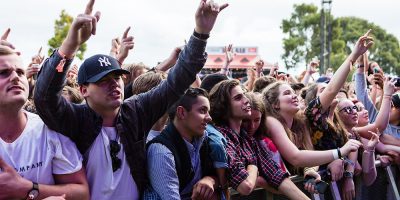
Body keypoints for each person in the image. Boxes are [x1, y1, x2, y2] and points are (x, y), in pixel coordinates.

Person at [34, 0, 228, 199]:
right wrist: (71, 45)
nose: (114, 84)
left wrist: (201, 33)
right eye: (103, 80)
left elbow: (176, 81)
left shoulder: (136, 111)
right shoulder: (75, 118)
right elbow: (43, 97)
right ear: (83, 90)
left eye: (117, 77)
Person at [0, 44, 89, 199]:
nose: (16, 77)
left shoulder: (49, 129)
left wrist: (27, 188)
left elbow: (82, 193)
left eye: (20, 72)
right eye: (3, 73)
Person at [209, 79, 310, 199]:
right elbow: (245, 186)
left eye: (244, 95)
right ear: (223, 106)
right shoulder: (221, 137)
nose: (246, 100)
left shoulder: (248, 139)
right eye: (238, 98)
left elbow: (276, 176)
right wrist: (253, 166)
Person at [145, 88, 218, 200]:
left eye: (208, 111)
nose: (209, 118)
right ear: (182, 113)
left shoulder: (203, 139)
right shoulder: (161, 152)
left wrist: (209, 180)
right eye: (202, 111)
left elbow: (220, 175)